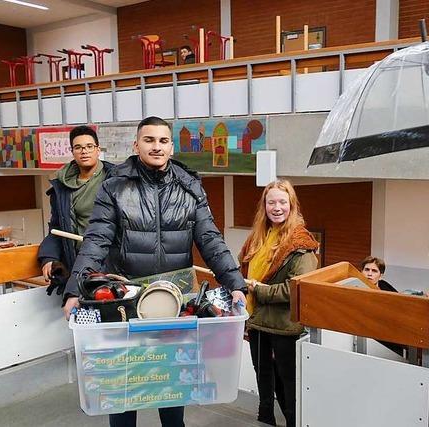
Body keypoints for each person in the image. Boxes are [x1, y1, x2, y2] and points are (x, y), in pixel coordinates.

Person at [63, 116, 247, 427]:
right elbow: (96, 240)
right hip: (125, 309)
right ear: (136, 145)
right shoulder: (114, 187)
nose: (156, 146)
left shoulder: (190, 188)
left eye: (163, 141)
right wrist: (73, 290)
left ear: (171, 147)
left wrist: (235, 283)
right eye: (149, 140)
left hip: (175, 308)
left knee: (172, 390)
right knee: (122, 394)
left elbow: (210, 239)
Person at [238, 180, 319, 426]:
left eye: (282, 202)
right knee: (263, 384)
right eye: (271, 202)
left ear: (291, 205)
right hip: (258, 324)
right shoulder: (258, 238)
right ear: (264, 206)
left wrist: (258, 290)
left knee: (288, 389)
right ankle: (265, 420)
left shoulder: (302, 244)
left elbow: (296, 289)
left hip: (285, 328)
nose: (277, 207)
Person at [37, 125, 114, 296]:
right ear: (72, 151)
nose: (84, 151)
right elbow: (57, 228)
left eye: (89, 146)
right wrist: (49, 258)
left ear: (98, 149)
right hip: (77, 261)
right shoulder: (62, 186)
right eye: (78, 147)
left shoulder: (115, 179)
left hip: (109, 260)